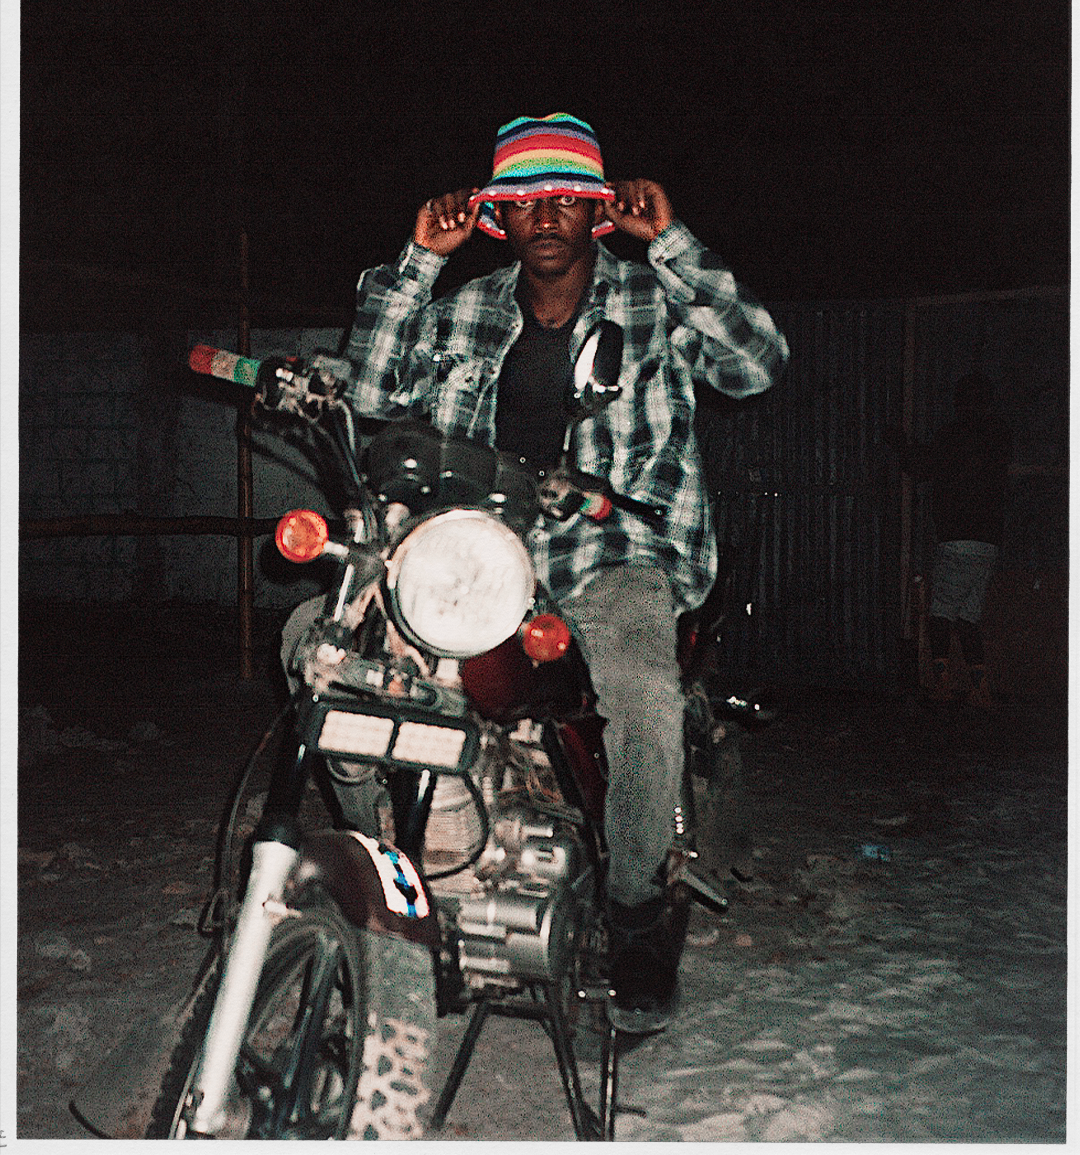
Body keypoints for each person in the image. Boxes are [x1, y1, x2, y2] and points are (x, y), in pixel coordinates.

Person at [334, 112, 789, 1030]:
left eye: (566, 199)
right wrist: (418, 261)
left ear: (597, 213)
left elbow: (756, 365)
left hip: (612, 556)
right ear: (497, 217)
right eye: (523, 200)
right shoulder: (464, 308)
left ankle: (635, 910)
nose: (544, 216)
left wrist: (673, 242)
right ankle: (397, 871)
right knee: (337, 661)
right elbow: (371, 395)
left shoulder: (655, 300)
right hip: (476, 557)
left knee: (643, 693)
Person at [896, 373, 1012, 711]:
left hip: (957, 537)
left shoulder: (953, 435)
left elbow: (921, 467)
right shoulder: (999, 437)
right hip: (989, 541)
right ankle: (980, 688)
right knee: (967, 618)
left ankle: (942, 684)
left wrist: (901, 445)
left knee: (940, 613)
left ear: (960, 402)